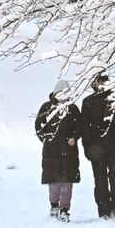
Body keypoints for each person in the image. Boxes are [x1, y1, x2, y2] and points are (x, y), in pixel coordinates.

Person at [80, 70, 115, 218]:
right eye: (99, 81)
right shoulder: (88, 101)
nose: (102, 83)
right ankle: (104, 211)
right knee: (100, 179)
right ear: (94, 83)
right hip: (96, 148)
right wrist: (87, 146)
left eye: (104, 80)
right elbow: (84, 127)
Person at [35, 81, 81, 220]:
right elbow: (39, 125)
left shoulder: (72, 109)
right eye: (60, 93)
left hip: (69, 151)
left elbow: (79, 126)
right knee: (53, 182)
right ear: (55, 93)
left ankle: (65, 209)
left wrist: (74, 137)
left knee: (67, 184)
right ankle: (54, 205)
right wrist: (45, 138)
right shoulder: (46, 107)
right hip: (51, 151)